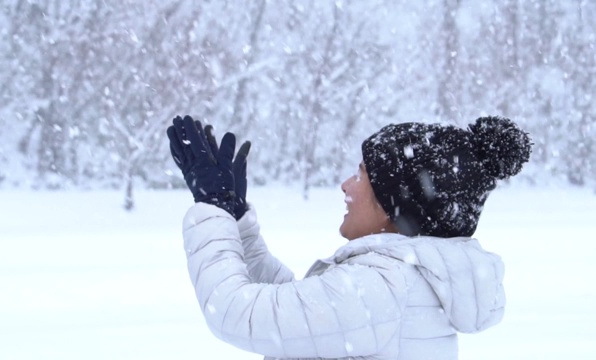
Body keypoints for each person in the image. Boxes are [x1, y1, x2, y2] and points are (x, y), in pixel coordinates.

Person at [166, 115, 532, 360]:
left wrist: (212, 209)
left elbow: (236, 312)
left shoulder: (383, 287)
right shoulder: (405, 281)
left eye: (361, 175)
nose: (346, 185)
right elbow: (296, 314)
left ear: (395, 206)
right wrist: (237, 221)